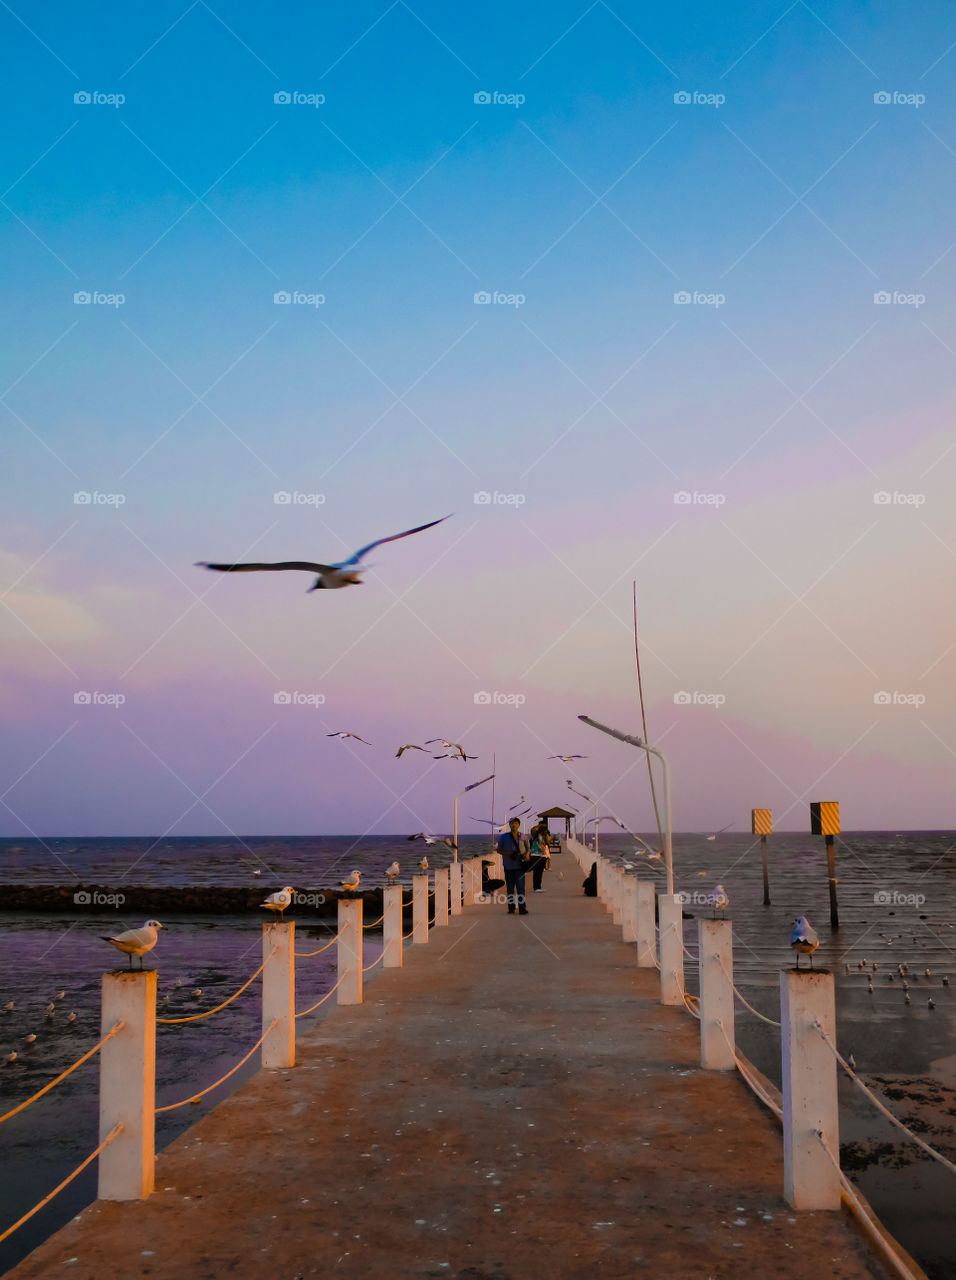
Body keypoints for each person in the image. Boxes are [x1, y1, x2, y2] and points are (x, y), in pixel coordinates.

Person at [497, 817, 530, 914]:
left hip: (520, 866)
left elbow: (528, 849)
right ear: (509, 825)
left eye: (515, 823)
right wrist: (509, 854)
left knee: (520, 888)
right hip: (508, 867)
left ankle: (522, 908)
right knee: (510, 889)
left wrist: (526, 856)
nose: (513, 825)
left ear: (519, 825)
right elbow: (499, 849)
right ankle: (511, 908)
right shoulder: (504, 837)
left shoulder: (523, 836)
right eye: (511, 823)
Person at [528, 824, 551, 893]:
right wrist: (540, 825)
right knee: (538, 872)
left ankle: (538, 887)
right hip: (537, 856)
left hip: (539, 856)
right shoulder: (538, 836)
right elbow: (541, 846)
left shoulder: (539, 837)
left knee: (538, 872)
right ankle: (536, 887)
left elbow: (547, 844)